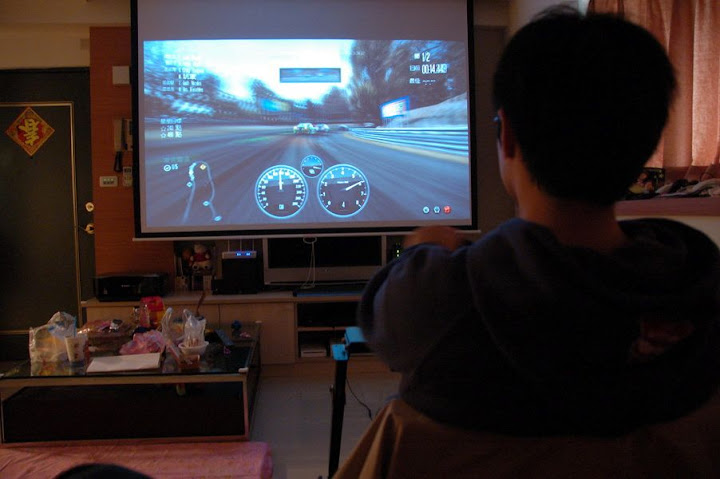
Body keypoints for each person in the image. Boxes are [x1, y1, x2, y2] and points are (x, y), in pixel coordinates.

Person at [357, 5, 720, 436]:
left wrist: (423, 249)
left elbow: (382, 317)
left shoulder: (438, 300)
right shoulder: (698, 281)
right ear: (649, 140)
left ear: (507, 134)